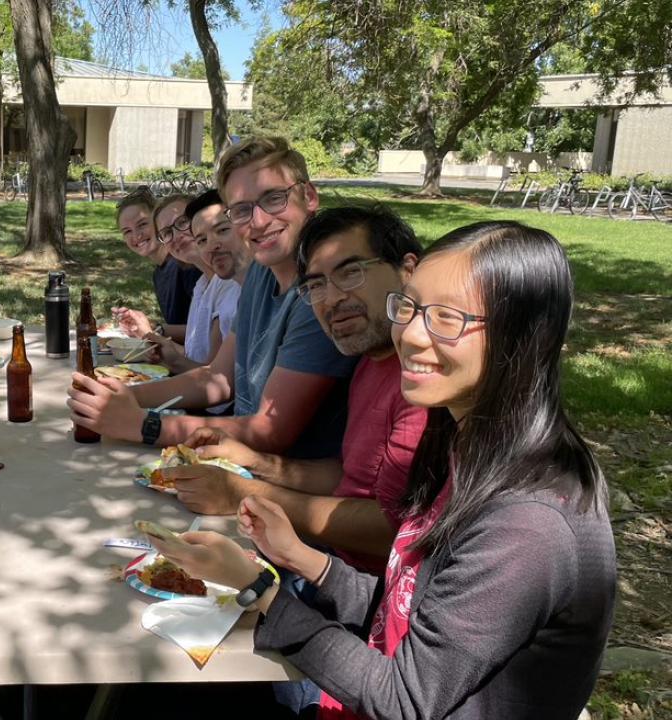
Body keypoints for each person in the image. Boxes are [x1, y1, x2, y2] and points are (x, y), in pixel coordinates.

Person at [152, 221, 615, 719]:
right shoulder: (463, 448)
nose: (409, 336)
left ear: (524, 334)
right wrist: (304, 559)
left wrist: (258, 588)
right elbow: (408, 606)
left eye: (446, 318)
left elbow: (404, 700)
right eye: (409, 308)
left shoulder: (528, 523)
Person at [167, 205, 427, 572]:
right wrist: (257, 463)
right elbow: (352, 476)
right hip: (321, 557)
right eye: (316, 285)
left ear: (407, 270)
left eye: (351, 273)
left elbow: (396, 530)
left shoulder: (425, 381)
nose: (332, 299)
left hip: (362, 587)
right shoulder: (370, 358)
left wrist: (242, 493)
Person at [70, 137, 359, 458]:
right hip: (235, 460)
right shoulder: (261, 274)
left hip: (280, 475)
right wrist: (122, 396)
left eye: (274, 198)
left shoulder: (321, 295)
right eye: (242, 209)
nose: (259, 221)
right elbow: (218, 378)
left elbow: (271, 432)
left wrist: (142, 425)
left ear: (309, 196)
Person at [137, 190, 245, 381]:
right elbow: (195, 357)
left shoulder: (232, 283)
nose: (176, 236)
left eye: (182, 223)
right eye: (166, 233)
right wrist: (165, 351)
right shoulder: (201, 285)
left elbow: (217, 379)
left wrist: (173, 358)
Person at [110, 187, 200, 343]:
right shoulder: (159, 272)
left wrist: (156, 329)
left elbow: (203, 331)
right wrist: (143, 324)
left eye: (142, 224)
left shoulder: (186, 265)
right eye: (127, 231)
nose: (136, 235)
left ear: (159, 223)